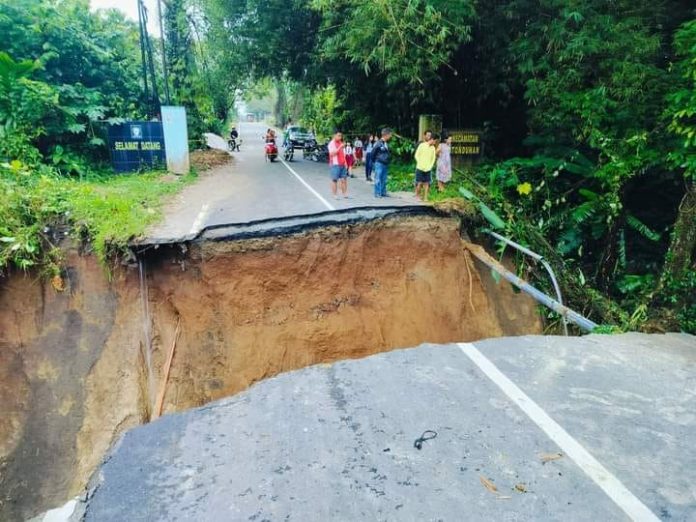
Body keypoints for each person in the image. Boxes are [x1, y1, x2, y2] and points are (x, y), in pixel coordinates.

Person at [414, 133, 437, 201]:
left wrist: (430, 166)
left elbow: (433, 158)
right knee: (419, 183)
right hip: (420, 167)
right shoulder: (422, 145)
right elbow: (416, 155)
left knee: (427, 183)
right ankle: (417, 196)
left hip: (428, 168)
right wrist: (419, 162)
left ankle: (425, 197)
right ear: (432, 140)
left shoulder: (433, 148)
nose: (435, 143)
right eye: (435, 141)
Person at [372, 128, 392, 198]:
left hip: (385, 163)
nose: (390, 136)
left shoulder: (386, 143)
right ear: (386, 135)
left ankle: (383, 192)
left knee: (384, 178)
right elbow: (373, 153)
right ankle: (377, 193)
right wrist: (375, 161)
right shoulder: (378, 143)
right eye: (390, 135)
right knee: (378, 178)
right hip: (379, 163)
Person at [328, 130, 349, 199]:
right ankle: (335, 194)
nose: (340, 137)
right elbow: (332, 153)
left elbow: (343, 154)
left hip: (342, 164)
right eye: (338, 136)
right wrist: (340, 147)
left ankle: (344, 193)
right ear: (334, 136)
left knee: (344, 179)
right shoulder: (331, 144)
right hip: (335, 164)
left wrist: (345, 163)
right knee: (334, 180)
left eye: (341, 136)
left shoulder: (341, 143)